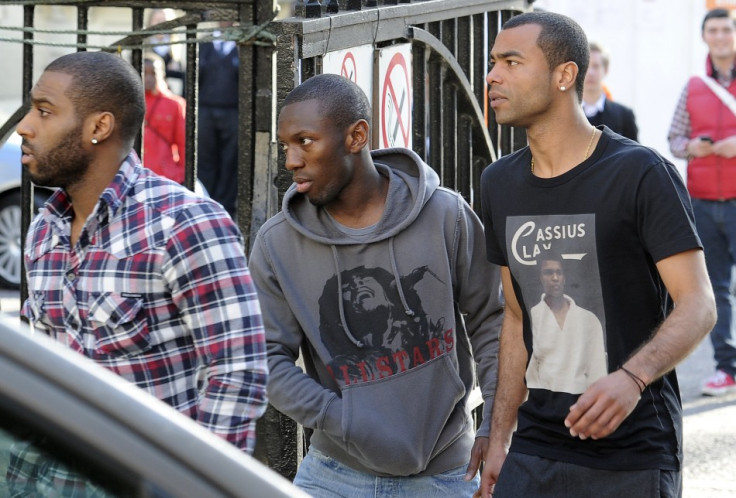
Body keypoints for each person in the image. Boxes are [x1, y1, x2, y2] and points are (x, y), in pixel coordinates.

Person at [477, 11, 715, 498]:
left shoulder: (641, 174)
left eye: (511, 62)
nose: (492, 76)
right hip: (536, 447)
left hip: (633, 451)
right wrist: (498, 435)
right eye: (492, 62)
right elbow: (518, 320)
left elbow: (699, 305)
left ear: (565, 76)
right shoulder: (498, 182)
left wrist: (632, 377)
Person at [249, 73, 503, 496]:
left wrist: (497, 420)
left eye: (305, 141)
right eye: (285, 146)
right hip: (333, 474)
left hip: (445, 475)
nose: (291, 160)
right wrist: (339, 417)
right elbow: (266, 357)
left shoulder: (445, 216)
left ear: (356, 136)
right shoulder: (278, 244)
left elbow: (494, 321)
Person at [17, 52, 268, 454]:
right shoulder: (46, 231)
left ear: (99, 126)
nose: (24, 127)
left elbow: (237, 374)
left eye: (44, 112)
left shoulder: (184, 223)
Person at [668, 8, 736, 397]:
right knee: (718, 290)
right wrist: (691, 146)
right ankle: (727, 369)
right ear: (705, 36)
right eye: (713, 30)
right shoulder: (693, 87)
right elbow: (674, 139)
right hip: (705, 202)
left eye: (727, 29)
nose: (721, 36)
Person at [526, 253, 608, 393]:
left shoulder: (588, 319)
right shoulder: (532, 317)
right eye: (548, 272)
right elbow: (530, 373)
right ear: (540, 278)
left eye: (559, 272)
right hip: (544, 405)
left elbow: (597, 371)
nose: (555, 278)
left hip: (583, 402)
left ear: (565, 278)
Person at [197, 21, 240, 219]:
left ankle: (225, 208)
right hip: (206, 110)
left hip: (233, 111)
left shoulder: (241, 42)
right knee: (205, 159)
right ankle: (205, 203)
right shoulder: (205, 43)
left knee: (230, 161)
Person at [143, 52, 186, 184]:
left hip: (165, 176)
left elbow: (183, 144)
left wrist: (181, 173)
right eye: (144, 73)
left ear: (162, 74)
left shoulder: (175, 103)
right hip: (136, 174)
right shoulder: (128, 102)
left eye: (153, 73)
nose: (149, 78)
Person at [582, 41, 638, 141]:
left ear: (606, 70)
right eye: (586, 66)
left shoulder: (624, 115)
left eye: (596, 66)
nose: (590, 72)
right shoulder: (565, 113)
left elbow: (636, 154)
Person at [145, 8, 185, 96]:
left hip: (170, 96)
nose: (161, 24)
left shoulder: (178, 47)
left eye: (164, 20)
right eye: (157, 20)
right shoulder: (142, 46)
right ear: (150, 22)